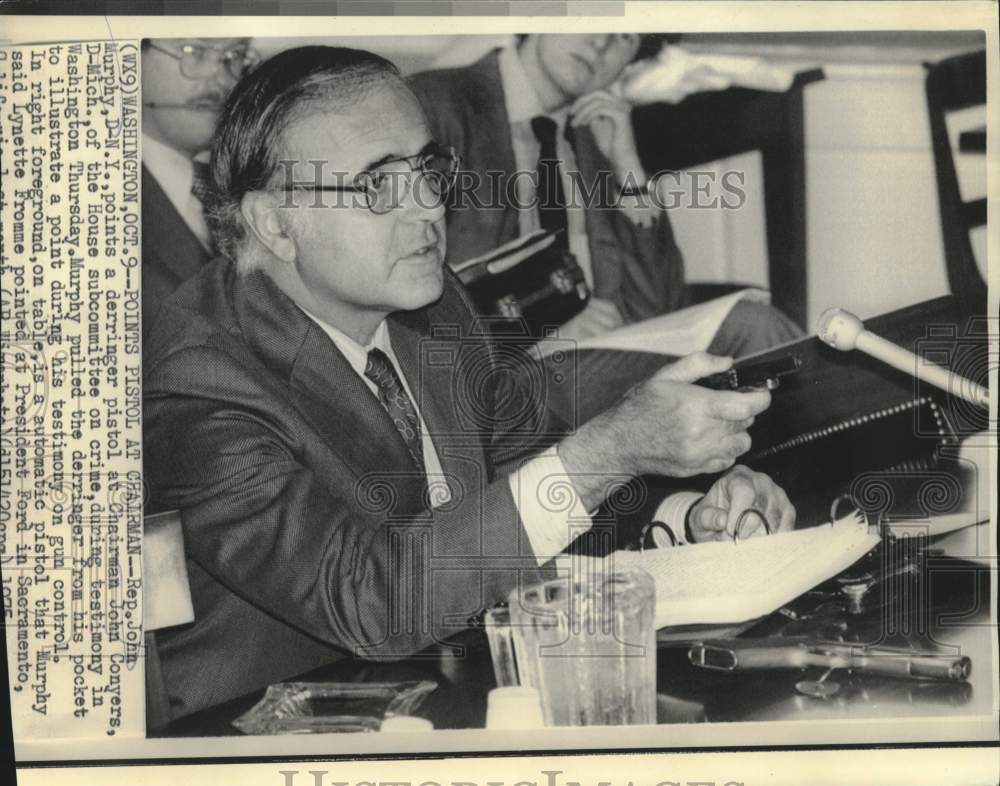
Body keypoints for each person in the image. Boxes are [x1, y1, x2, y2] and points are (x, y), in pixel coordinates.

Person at [142, 45, 796, 721]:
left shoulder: (431, 305)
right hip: (269, 736)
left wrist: (682, 517)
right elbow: (374, 598)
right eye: (378, 186)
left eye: (428, 170)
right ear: (276, 223)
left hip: (440, 693)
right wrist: (610, 450)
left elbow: (522, 481)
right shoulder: (200, 383)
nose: (428, 208)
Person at [409, 33, 802, 352]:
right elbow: (401, 296)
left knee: (757, 326)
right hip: (500, 373)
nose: (601, 42)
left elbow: (660, 304)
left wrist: (627, 165)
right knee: (753, 326)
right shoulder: (434, 105)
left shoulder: (597, 134)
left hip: (606, 358)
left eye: (625, 37)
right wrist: (535, 331)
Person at [140, 37, 258, 334]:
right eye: (195, 52)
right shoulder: (82, 199)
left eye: (236, 55)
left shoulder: (238, 188)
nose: (221, 77)